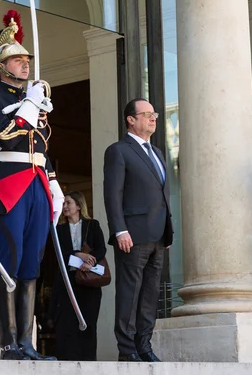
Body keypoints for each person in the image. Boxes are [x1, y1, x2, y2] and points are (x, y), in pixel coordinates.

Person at [0, 9, 64, 361]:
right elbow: (4, 136)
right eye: (17, 59)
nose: (25, 64)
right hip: (9, 184)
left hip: (36, 184)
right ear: (1, 65)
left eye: (26, 59)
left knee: (31, 267)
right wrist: (27, 105)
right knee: (8, 264)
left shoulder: (34, 100)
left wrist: (52, 181)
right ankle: (8, 344)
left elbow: (40, 147)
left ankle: (28, 342)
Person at [103, 98, 173, 362]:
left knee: (150, 295)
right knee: (130, 293)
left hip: (158, 235)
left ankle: (144, 345)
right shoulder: (118, 151)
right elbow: (113, 194)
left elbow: (163, 195)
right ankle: (127, 348)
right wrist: (119, 230)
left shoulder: (157, 153)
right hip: (132, 235)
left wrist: (169, 229)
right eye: (146, 114)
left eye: (153, 113)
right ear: (131, 120)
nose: (153, 118)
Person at [49, 191, 106, 361]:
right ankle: (68, 361)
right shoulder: (58, 229)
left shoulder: (93, 225)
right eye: (64, 204)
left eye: (68, 203)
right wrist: (78, 256)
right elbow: (57, 254)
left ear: (79, 206)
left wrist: (90, 262)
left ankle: (88, 361)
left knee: (89, 322)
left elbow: (101, 248)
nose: (65, 207)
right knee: (67, 324)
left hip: (89, 282)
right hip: (67, 282)